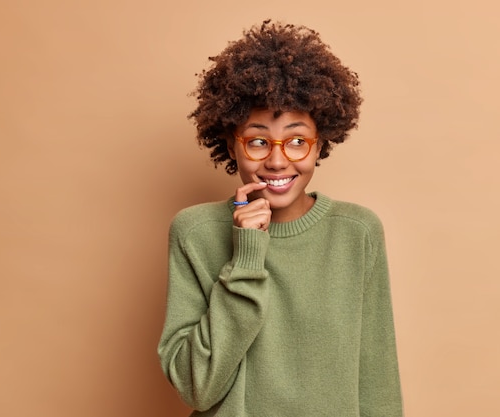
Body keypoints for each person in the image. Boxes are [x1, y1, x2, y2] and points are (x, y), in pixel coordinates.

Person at [158, 20, 403, 416]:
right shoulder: (195, 233)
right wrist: (246, 257)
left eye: (296, 141)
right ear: (229, 144)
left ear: (319, 143)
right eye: (257, 141)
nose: (276, 160)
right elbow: (197, 388)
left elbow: (378, 378)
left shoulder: (357, 232)